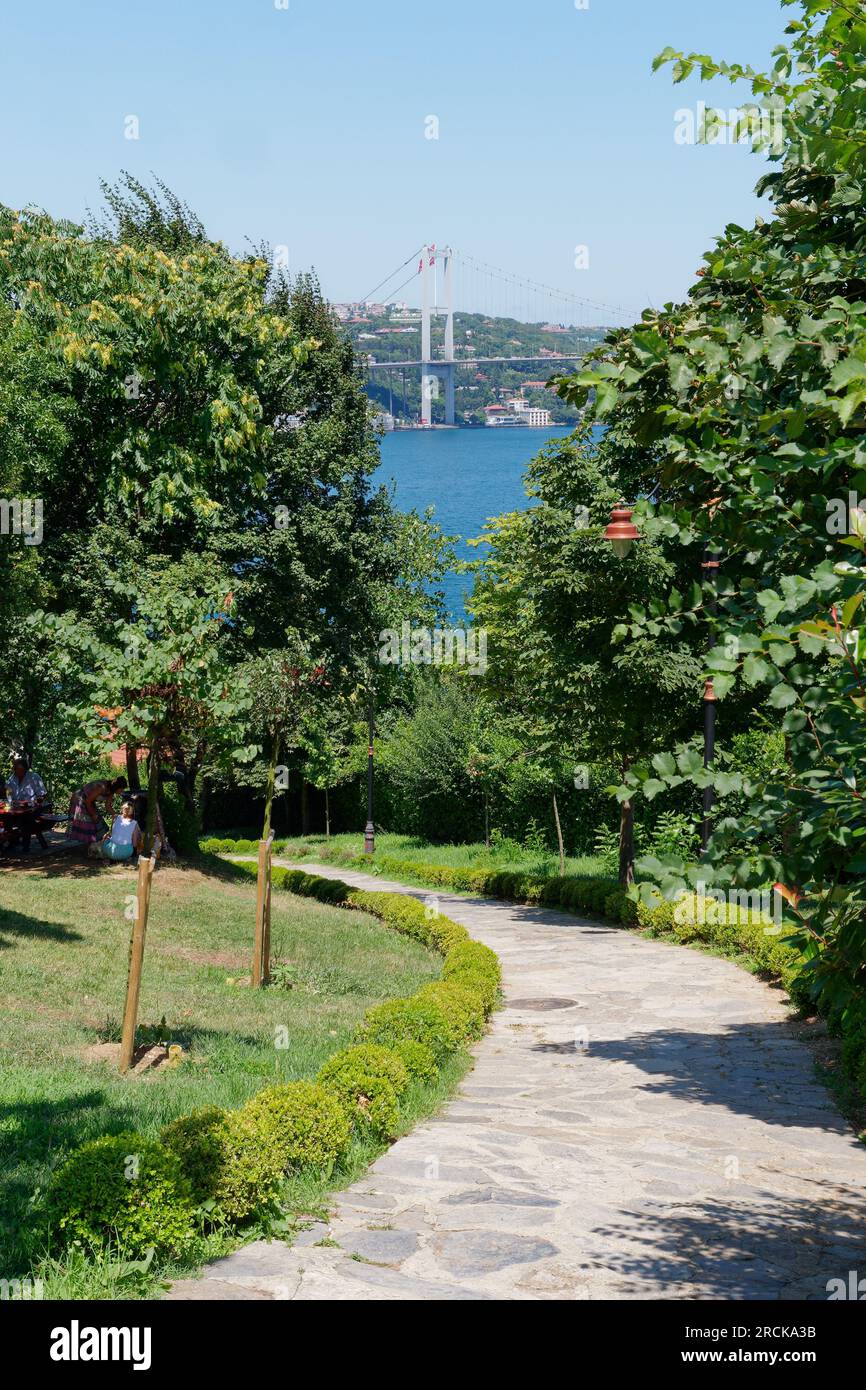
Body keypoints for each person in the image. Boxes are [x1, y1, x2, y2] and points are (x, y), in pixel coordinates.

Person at [68, 775, 127, 848]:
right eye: (121, 789)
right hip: (79, 799)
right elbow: (88, 801)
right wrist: (93, 815)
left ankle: (93, 845)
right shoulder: (101, 787)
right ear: (117, 787)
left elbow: (108, 806)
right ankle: (91, 847)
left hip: (88, 801)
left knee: (97, 821)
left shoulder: (111, 791)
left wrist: (117, 816)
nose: (122, 791)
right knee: (88, 821)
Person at [5, 753, 47, 854]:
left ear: (25, 769)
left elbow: (43, 794)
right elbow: (8, 791)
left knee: (26, 820)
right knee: (5, 818)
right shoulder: (12, 778)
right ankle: (13, 841)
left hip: (32, 809)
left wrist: (35, 802)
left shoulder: (34, 777)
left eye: (21, 770)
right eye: (16, 769)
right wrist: (10, 798)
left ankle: (26, 846)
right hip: (16, 808)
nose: (18, 772)